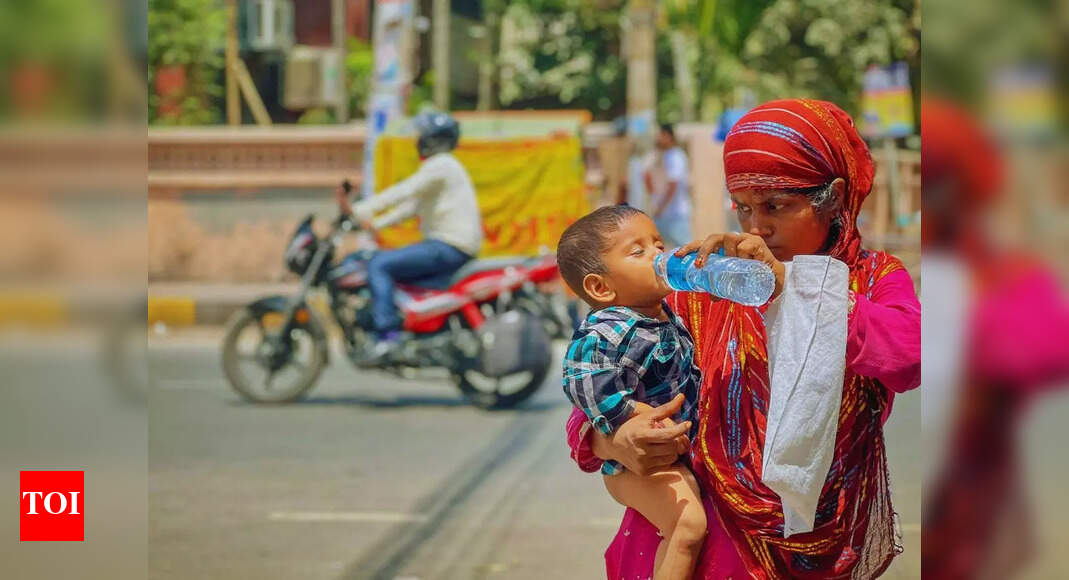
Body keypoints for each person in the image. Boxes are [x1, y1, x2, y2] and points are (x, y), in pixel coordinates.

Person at [566, 98, 921, 578]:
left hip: (818, 543)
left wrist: (791, 291)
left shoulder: (873, 279)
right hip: (711, 542)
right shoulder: (707, 287)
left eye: (776, 206)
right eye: (744, 208)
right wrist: (616, 440)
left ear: (834, 198)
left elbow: (910, 357)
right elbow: (597, 393)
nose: (757, 228)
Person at [557, 205, 705, 580]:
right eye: (638, 251)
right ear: (600, 287)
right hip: (633, 463)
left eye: (658, 243)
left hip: (669, 452)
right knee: (688, 524)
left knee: (682, 524)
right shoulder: (609, 329)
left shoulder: (663, 313)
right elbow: (580, 377)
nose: (659, 255)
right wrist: (626, 419)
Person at [335, 112, 483, 363]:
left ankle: (387, 336)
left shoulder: (443, 164)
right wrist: (374, 224)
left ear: (434, 139)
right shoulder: (443, 169)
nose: (418, 140)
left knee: (379, 264)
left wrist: (361, 210)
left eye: (423, 135)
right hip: (448, 245)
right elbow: (410, 207)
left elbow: (406, 191)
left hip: (448, 246)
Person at [643, 123, 693, 247]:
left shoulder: (676, 157)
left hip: (675, 215)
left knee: (684, 250)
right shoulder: (663, 155)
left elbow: (673, 185)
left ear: (667, 136)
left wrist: (661, 207)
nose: (658, 138)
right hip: (664, 214)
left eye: (660, 135)